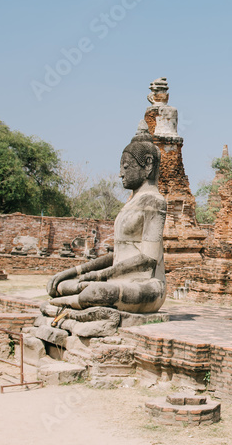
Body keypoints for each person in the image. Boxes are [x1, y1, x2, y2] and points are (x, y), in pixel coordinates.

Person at [44, 133, 167, 316]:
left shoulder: (155, 202)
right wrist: (75, 271)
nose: (120, 173)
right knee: (60, 284)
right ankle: (64, 306)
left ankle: (63, 309)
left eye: (126, 167)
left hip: (146, 285)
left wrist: (98, 276)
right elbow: (117, 255)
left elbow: (148, 260)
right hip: (118, 281)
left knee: (96, 292)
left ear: (148, 164)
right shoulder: (130, 204)